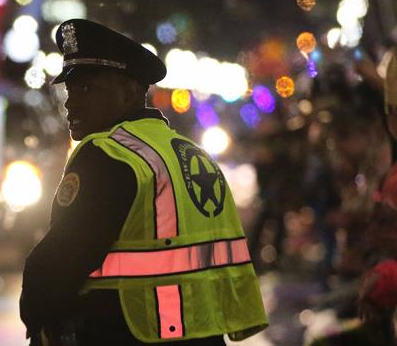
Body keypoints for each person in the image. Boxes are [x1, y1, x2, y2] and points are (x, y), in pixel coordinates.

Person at [19, 18, 269, 345]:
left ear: (129, 93)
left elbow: (60, 262)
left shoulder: (108, 155)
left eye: (86, 89)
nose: (71, 102)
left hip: (127, 334)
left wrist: (37, 319)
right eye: (70, 89)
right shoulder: (193, 155)